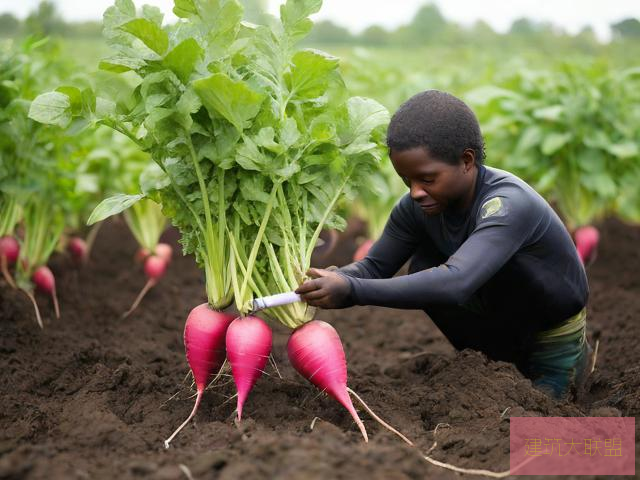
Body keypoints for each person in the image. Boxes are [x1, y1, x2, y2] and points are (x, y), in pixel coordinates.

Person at [295, 90, 593, 400]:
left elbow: (456, 282)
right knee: (424, 264)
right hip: (495, 332)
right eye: (406, 180)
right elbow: (373, 267)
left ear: (466, 161)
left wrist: (353, 291)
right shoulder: (415, 208)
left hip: (548, 336)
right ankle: (493, 364)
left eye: (427, 179)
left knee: (543, 426)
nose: (415, 192)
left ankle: (572, 369)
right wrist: (331, 279)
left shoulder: (506, 205)